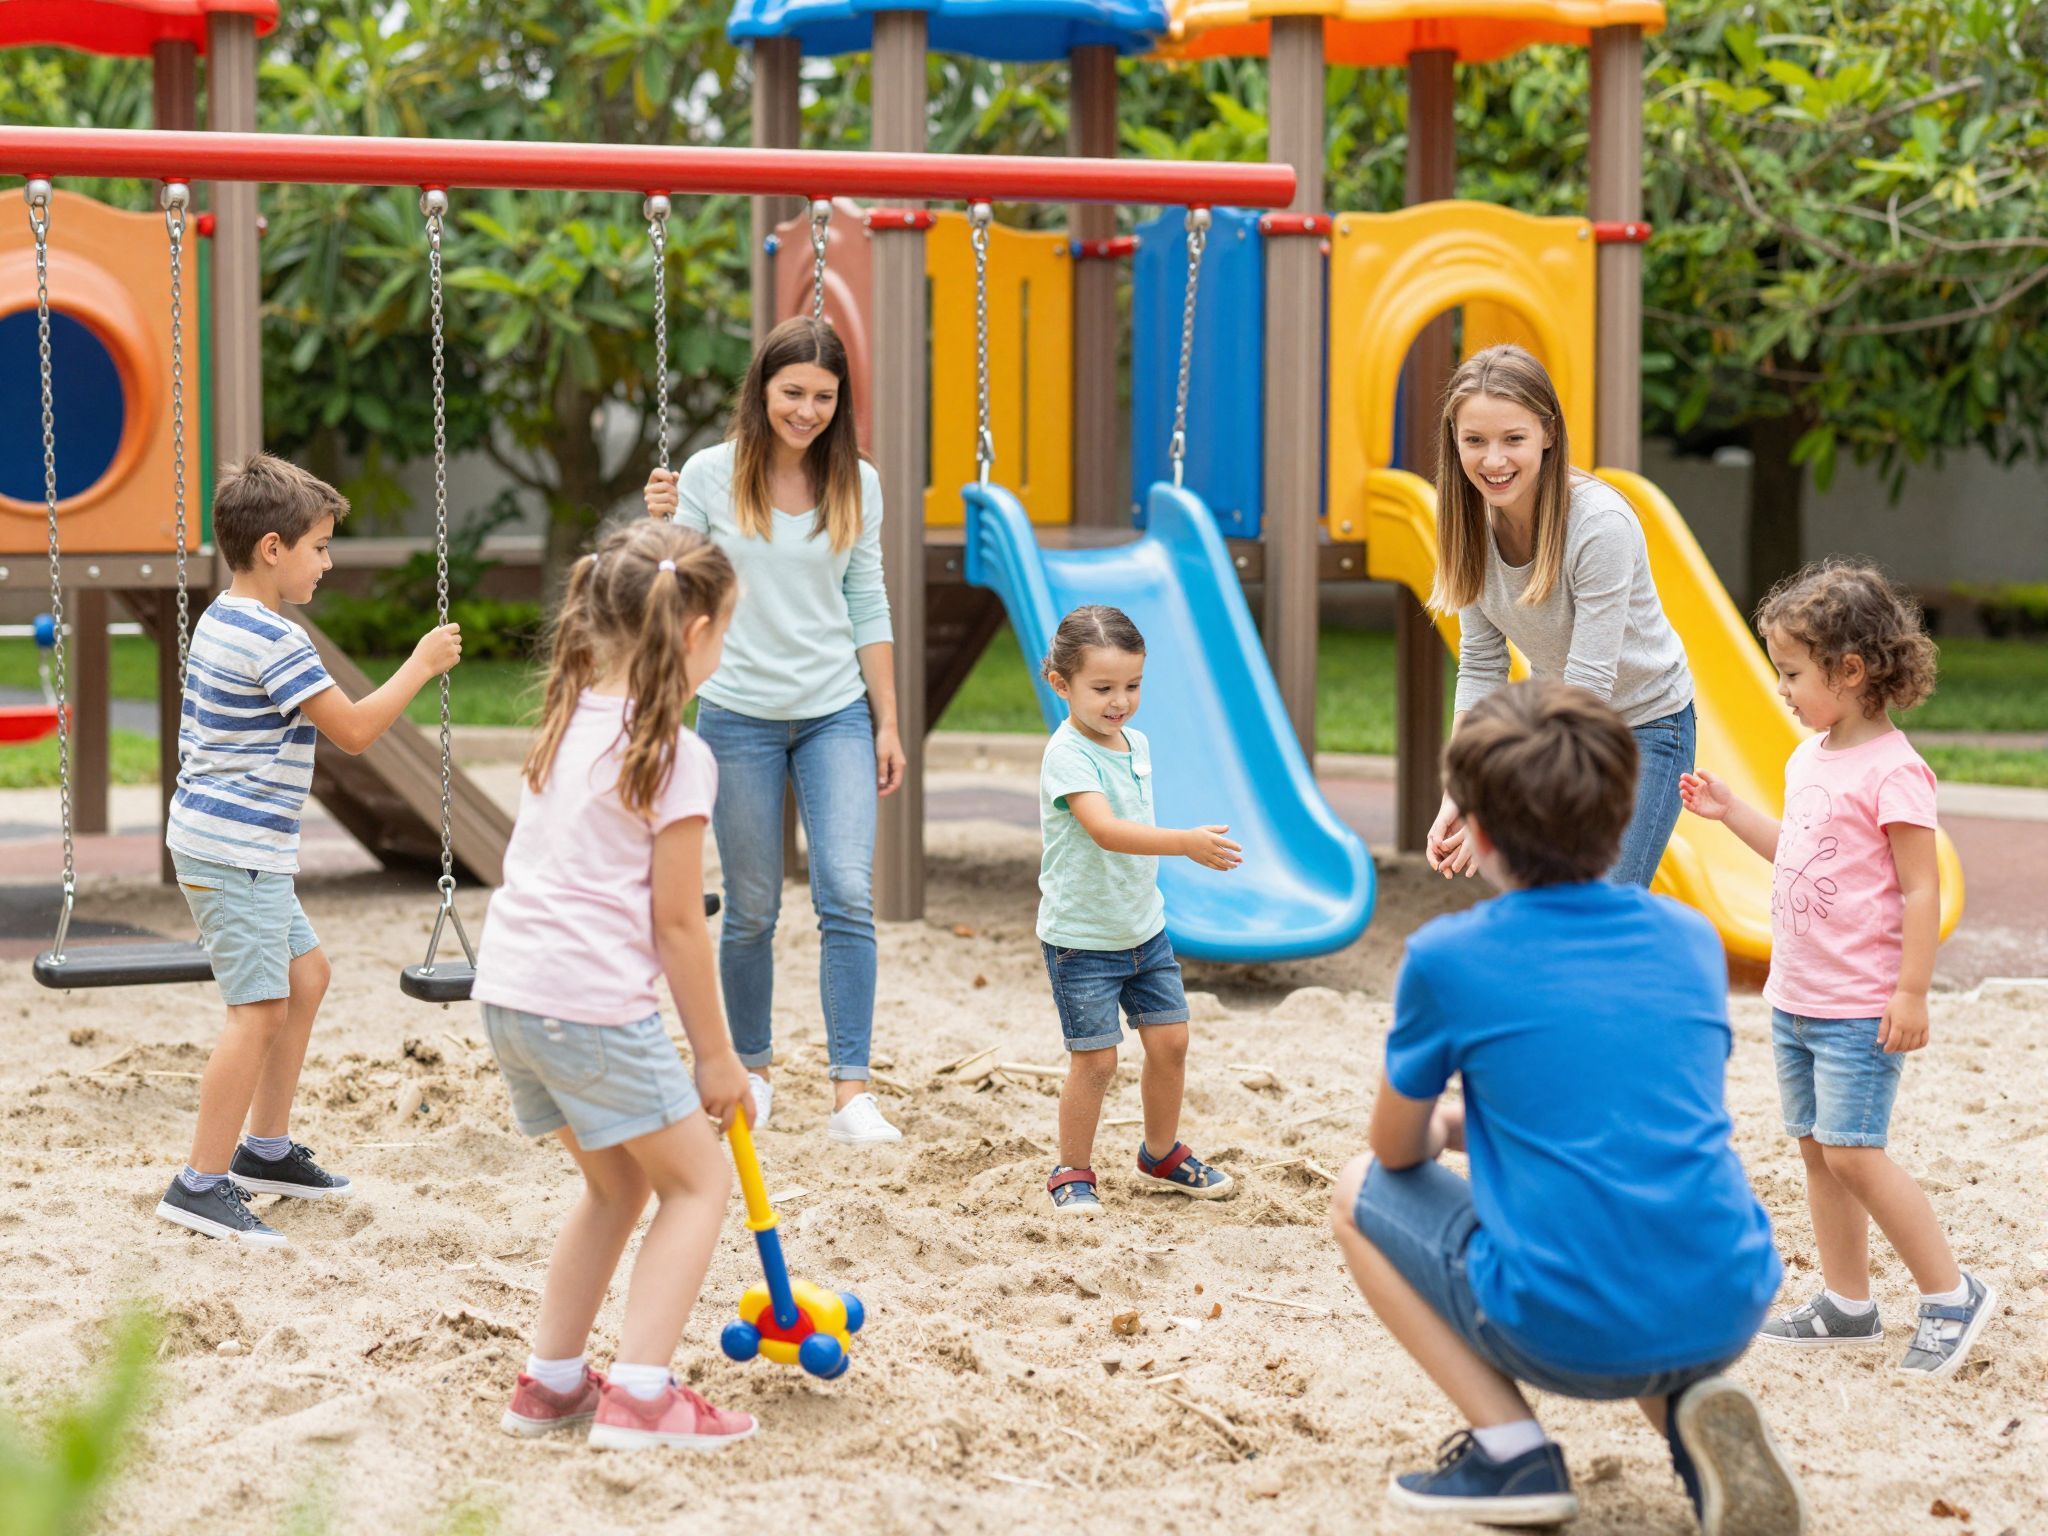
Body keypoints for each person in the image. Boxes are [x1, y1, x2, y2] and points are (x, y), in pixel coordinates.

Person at [1333, 680, 1803, 1534]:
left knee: (1356, 1192)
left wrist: (1448, 1122)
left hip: (1562, 1328)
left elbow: (1396, 1154)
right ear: (1623, 813)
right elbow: (1616, 1106)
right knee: (1630, 1230)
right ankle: (1696, 1431)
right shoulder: (1690, 938)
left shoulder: (1448, 956)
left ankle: (1514, 1455)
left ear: (1476, 834)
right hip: (1729, 1294)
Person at [472, 520, 757, 1451]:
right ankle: (641, 1395)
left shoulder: (568, 719)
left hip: (512, 994)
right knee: (697, 1184)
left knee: (616, 1187)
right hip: (586, 1004)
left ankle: (551, 1383)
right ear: (695, 633)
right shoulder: (675, 752)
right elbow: (678, 924)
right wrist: (719, 1061)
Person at [1681, 559, 1996, 1378]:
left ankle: (1951, 1291)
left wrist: (1912, 990)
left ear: (1850, 671)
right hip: (1798, 996)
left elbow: (1921, 888)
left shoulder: (1895, 771)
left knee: (1856, 1151)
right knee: (1819, 1150)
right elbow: (1800, 851)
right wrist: (1728, 813)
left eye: (1791, 672)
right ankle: (1848, 1303)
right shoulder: (1810, 758)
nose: (1781, 688)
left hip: (1861, 1003)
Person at [156, 455, 461, 1247]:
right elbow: (355, 733)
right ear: (271, 548)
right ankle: (199, 1182)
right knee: (256, 1010)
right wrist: (422, 665)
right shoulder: (272, 638)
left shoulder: (225, 615)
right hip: (235, 849)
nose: (327, 563)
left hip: (230, 841)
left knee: (306, 974)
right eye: (320, 547)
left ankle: (265, 1148)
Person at [644, 316, 902, 1146]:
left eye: (824, 397)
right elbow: (675, 581)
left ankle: (851, 1092)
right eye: (793, 392)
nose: (807, 410)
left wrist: (886, 719)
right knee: (752, 906)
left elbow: (869, 602)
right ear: (763, 389)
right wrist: (665, 522)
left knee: (848, 893)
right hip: (739, 714)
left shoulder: (857, 482)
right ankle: (750, 1073)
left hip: (834, 712)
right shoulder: (713, 475)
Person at [1424, 344, 1695, 888]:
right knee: (1552, 902)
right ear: (1455, 443)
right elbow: (1480, 665)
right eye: (1474, 440)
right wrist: (1463, 789)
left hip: (1645, 725)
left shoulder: (1599, 525)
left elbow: (1588, 684)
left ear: (1548, 433)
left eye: (1513, 439)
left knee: (1604, 901)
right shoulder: (1466, 521)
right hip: (1563, 725)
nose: (1493, 460)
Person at [1035, 606, 1240, 1218]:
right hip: (1082, 938)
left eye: (1132, 685)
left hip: (1142, 928)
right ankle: (1071, 1170)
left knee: (1171, 1041)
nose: (1119, 702)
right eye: (1102, 689)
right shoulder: (1067, 754)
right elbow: (1103, 829)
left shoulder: (1136, 742)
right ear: (1061, 684)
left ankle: (1160, 1153)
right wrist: (1184, 843)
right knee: (1096, 1059)